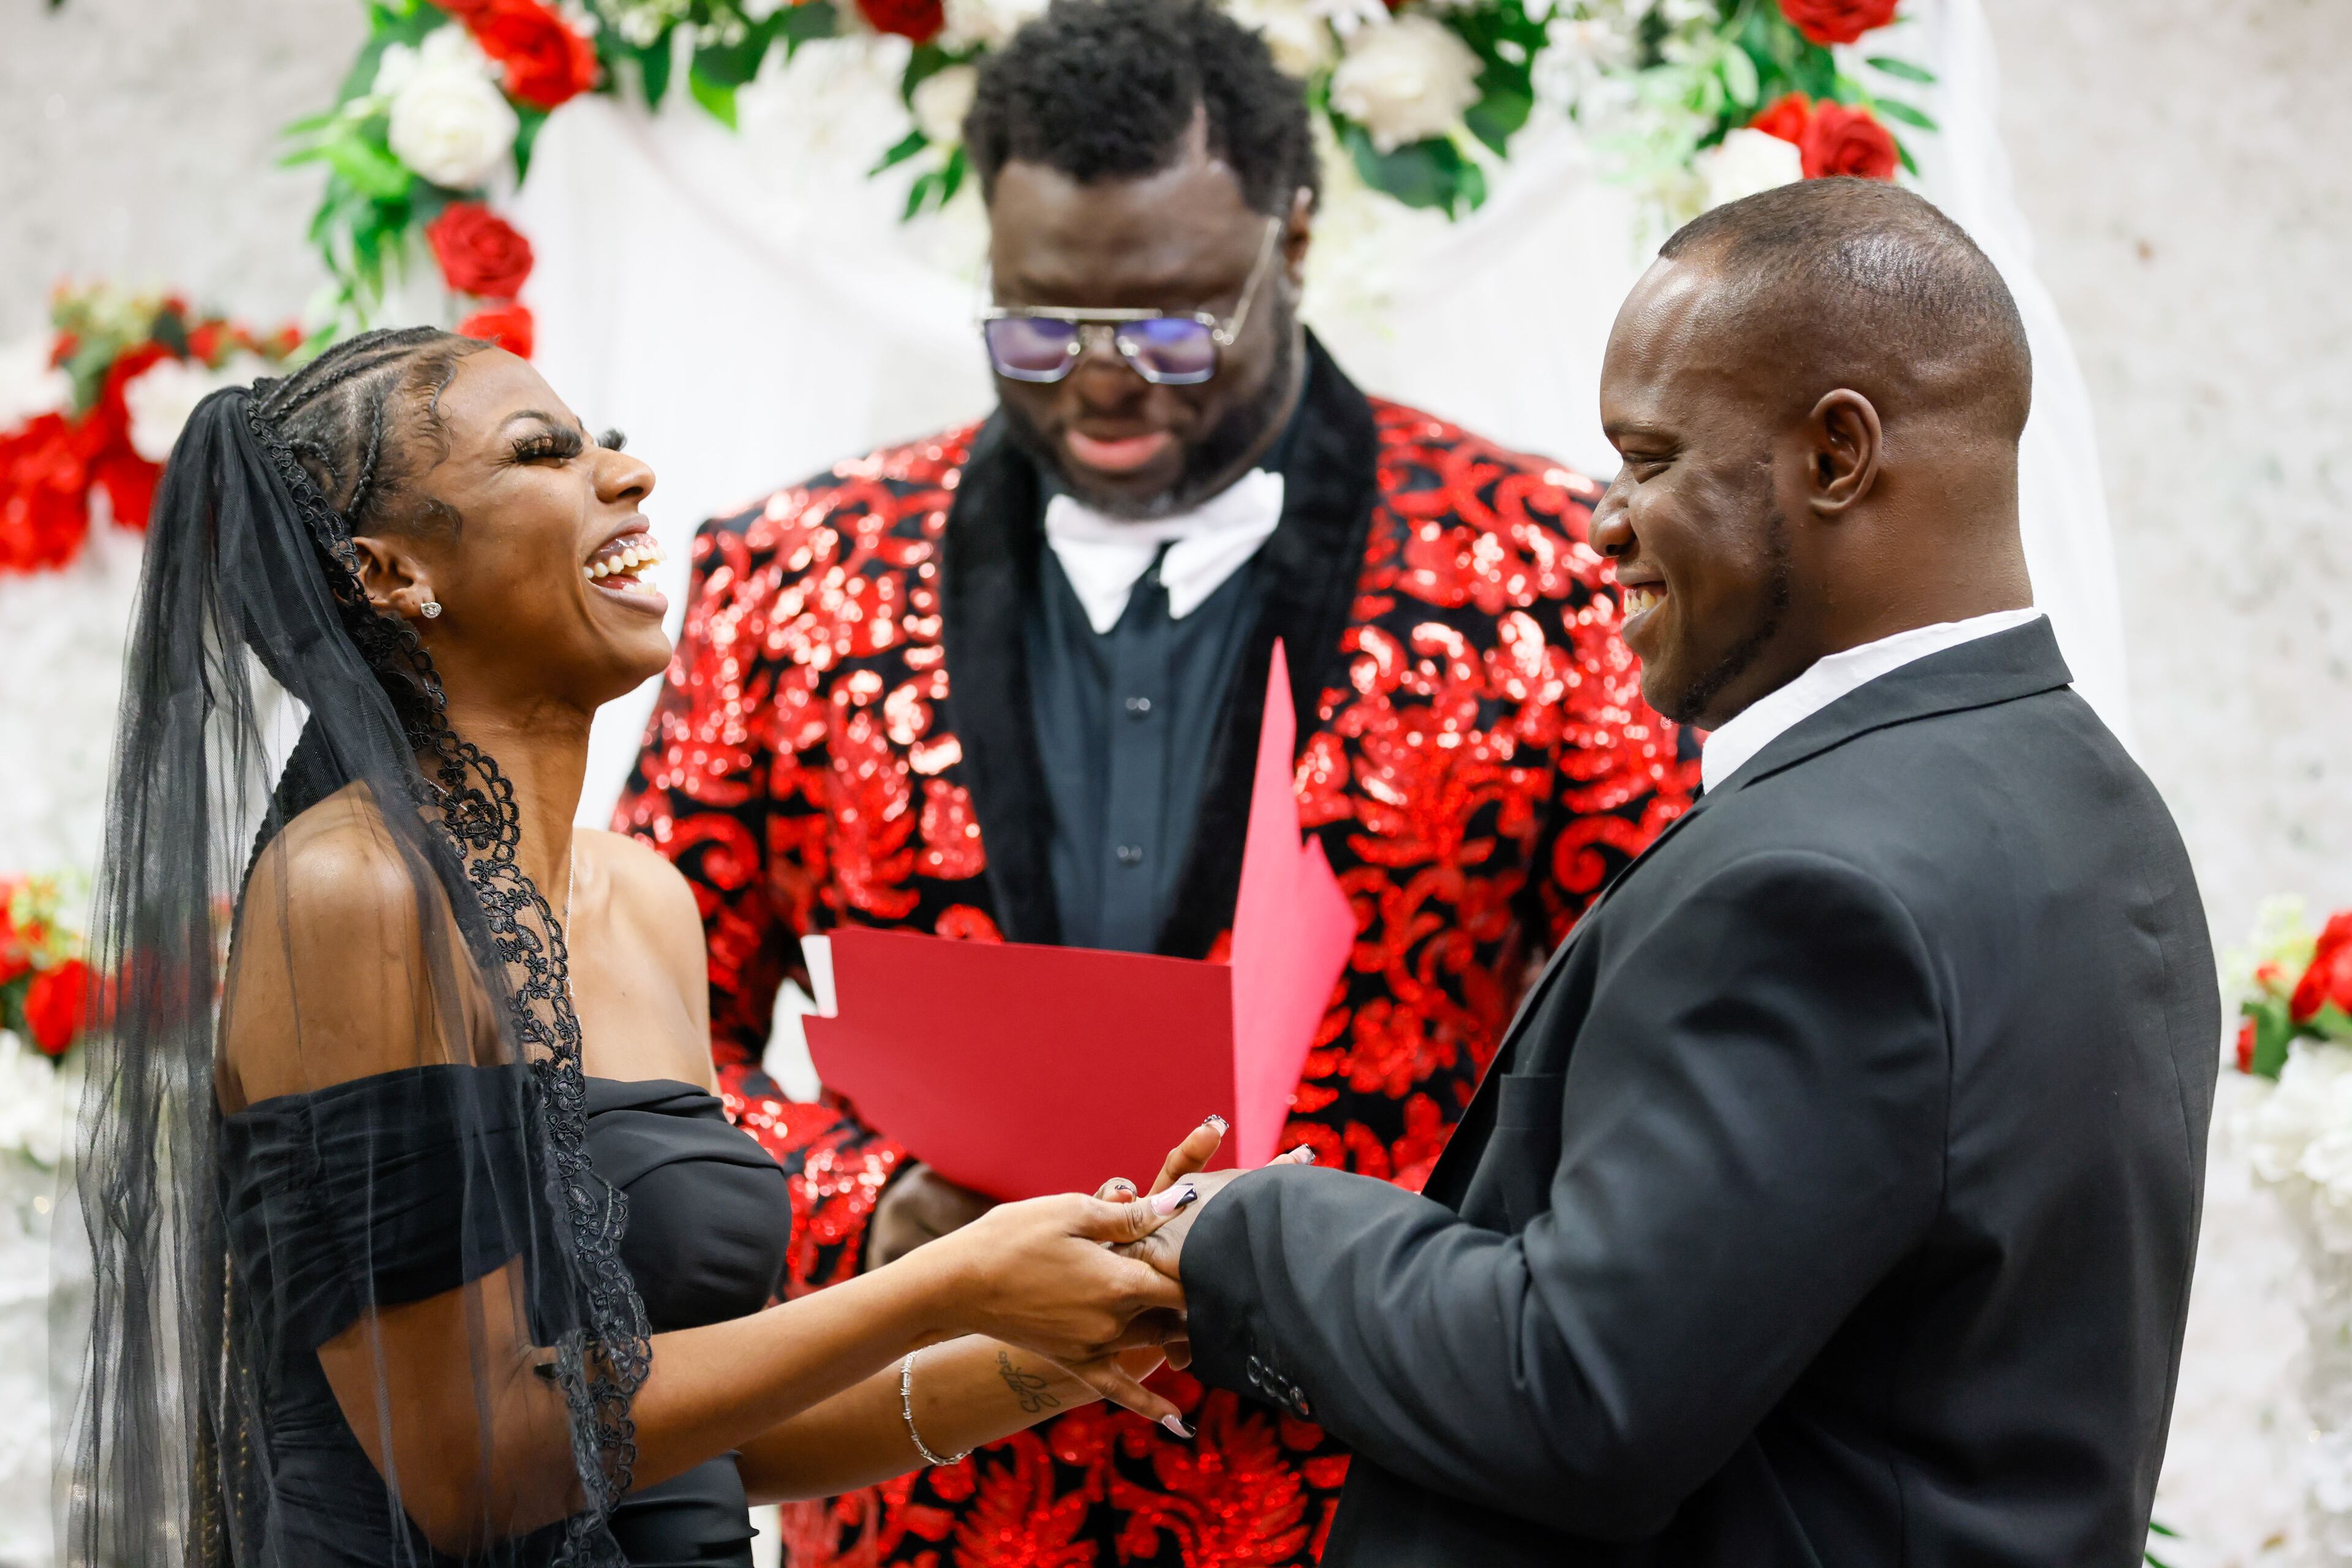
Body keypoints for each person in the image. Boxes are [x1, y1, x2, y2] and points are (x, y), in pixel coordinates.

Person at [614, 1, 1693, 1559]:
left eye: (1175, 325)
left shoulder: (1542, 569)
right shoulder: (791, 576)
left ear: (1295, 238)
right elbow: (640, 1051)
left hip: (1379, 1488)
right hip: (925, 1492)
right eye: (1040, 330)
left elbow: (1650, 1045)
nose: (1105, 387)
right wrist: (873, 1209)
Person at [1131, 179, 2222, 1566]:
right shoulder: (2091, 797)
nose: (1602, 523)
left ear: (1837, 453)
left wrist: (1252, 1228)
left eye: (1648, 460)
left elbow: (1575, 1392)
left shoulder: (1818, 888)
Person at [72, 326, 1218, 1568]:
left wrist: (1064, 1343)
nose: (625, 475)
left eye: (600, 440)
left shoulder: (649, 900)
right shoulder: (354, 891)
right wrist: (949, 1279)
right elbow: (474, 1460)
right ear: (391, 574)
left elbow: (695, 1434)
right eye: (542, 454)